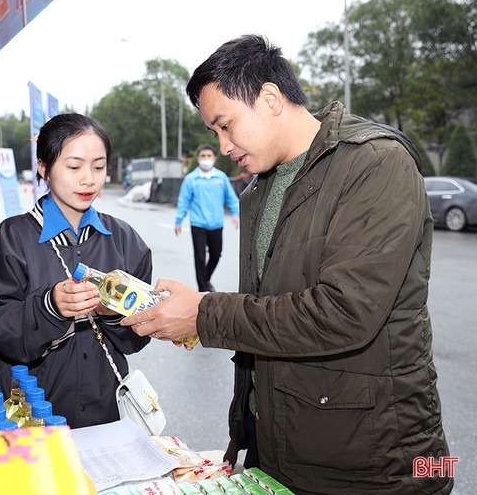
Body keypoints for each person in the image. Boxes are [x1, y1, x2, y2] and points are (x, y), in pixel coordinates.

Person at [122, 35, 451, 494]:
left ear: (270, 98)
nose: (221, 145)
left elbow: (344, 314)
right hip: (279, 442)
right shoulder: (259, 188)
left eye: (225, 125)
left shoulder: (376, 165)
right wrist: (192, 316)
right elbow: (272, 304)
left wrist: (205, 312)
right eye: (213, 134)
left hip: (373, 463)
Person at [0, 113, 151, 428]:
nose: (88, 179)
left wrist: (114, 314)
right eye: (74, 166)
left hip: (105, 409)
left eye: (98, 166)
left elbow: (137, 336)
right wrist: (50, 307)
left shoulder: (124, 239)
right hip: (31, 410)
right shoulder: (13, 237)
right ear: (44, 167)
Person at [174, 144, 239, 292]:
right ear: (198, 159)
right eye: (203, 156)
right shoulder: (191, 179)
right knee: (200, 257)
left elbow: (231, 198)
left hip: (216, 224)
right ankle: (203, 287)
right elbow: (183, 201)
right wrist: (178, 221)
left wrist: (236, 214)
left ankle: (206, 279)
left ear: (214, 158)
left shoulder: (221, 177)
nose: (206, 159)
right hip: (198, 224)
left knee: (216, 255)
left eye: (209, 156)